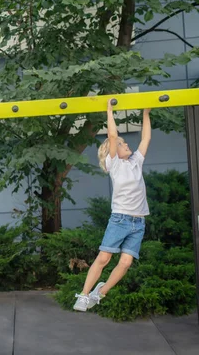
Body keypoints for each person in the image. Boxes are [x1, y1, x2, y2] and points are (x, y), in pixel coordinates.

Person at [73, 99, 151, 312]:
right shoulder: (114, 164)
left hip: (138, 221)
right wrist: (109, 110)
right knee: (105, 257)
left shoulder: (136, 162)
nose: (127, 145)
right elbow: (113, 136)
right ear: (113, 149)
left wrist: (146, 112)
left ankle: (100, 292)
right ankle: (84, 294)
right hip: (120, 219)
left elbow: (146, 138)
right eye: (123, 144)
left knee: (125, 263)